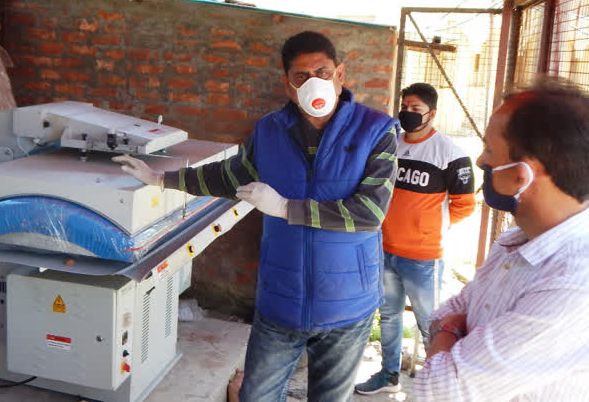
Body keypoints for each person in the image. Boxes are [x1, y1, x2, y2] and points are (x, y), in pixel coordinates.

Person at [114, 31, 399, 401]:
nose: (314, 82)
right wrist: (161, 178)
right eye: (301, 76)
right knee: (256, 396)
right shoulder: (269, 132)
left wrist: (284, 208)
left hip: (347, 304)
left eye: (323, 72)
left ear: (340, 75)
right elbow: (227, 175)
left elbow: (370, 212)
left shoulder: (376, 131)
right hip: (280, 301)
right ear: (287, 85)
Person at [414, 79, 589, 400]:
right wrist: (451, 333)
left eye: (491, 150)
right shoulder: (513, 242)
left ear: (523, 174)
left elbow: (440, 391)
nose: (481, 160)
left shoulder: (576, 281)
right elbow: (443, 313)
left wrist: (451, 333)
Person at [355, 83, 475, 395]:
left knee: (429, 323)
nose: (407, 113)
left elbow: (464, 205)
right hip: (384, 248)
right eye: (404, 107)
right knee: (390, 316)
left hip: (423, 255)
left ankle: (434, 386)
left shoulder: (450, 153)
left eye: (415, 109)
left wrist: (428, 229)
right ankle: (389, 375)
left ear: (432, 114)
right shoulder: (391, 144)